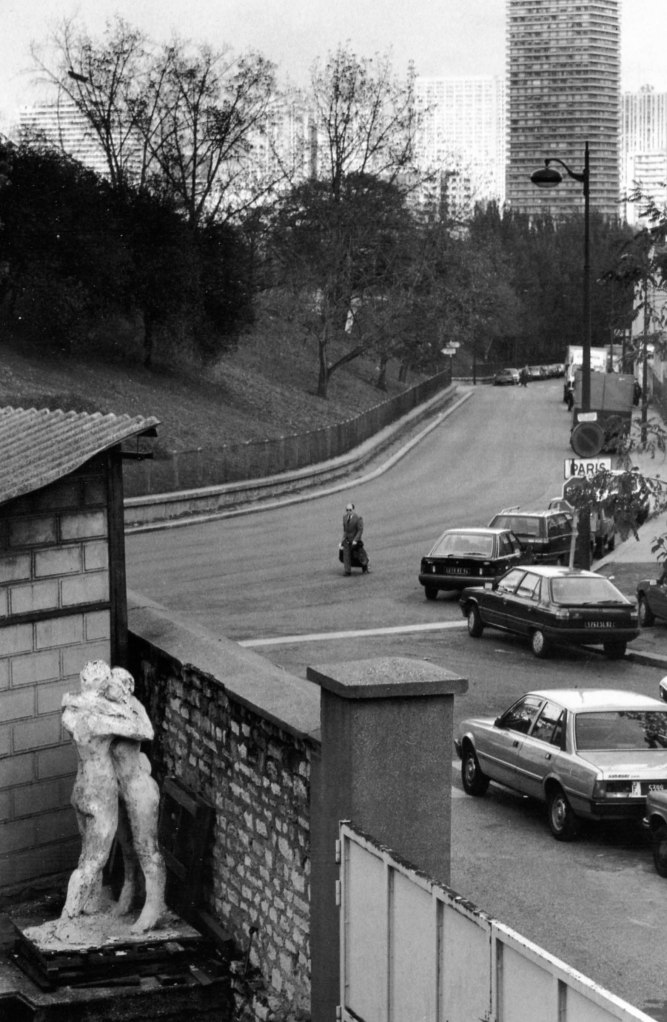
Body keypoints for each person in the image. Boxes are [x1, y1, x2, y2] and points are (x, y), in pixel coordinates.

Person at [341, 501, 369, 575]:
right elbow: (345, 530)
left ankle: (365, 567)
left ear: (353, 510)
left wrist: (355, 540)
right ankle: (347, 571)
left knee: (360, 554)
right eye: (347, 510)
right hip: (347, 540)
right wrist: (342, 541)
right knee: (346, 555)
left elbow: (360, 530)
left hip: (355, 540)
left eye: (350, 510)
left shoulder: (358, 518)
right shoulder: (344, 518)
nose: (348, 511)